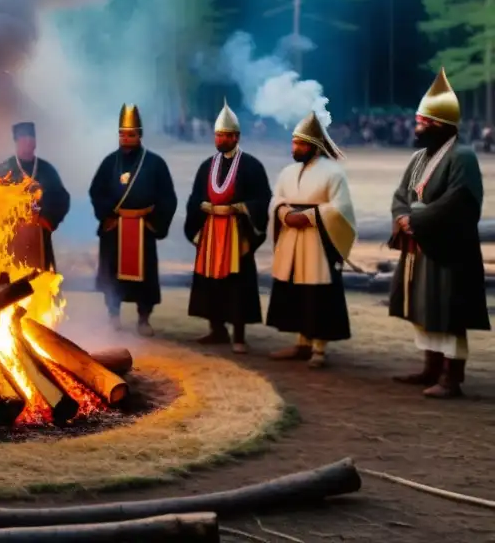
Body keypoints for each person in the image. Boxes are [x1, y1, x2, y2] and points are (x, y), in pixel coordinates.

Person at [388, 69, 490, 398]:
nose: (417, 128)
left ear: (440, 126)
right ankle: (430, 367)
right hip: (420, 245)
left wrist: (416, 220)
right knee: (424, 307)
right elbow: (402, 194)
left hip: (448, 248)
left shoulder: (463, 157)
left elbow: (459, 202)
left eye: (422, 122)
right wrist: (403, 217)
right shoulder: (419, 157)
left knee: (449, 309)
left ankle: (451, 376)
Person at [265, 112, 357, 368]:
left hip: (318, 241)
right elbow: (276, 198)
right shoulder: (287, 172)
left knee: (318, 294)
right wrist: (283, 213)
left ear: (314, 145)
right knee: (295, 292)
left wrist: (308, 217)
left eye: (300, 143)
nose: (295, 148)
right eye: (294, 142)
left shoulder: (333, 173)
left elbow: (341, 209)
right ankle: (301, 343)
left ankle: (318, 348)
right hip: (292, 240)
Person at [184, 100, 272, 354]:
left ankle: (239, 335)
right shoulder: (206, 166)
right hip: (211, 233)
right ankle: (217, 329)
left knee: (238, 284)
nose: (220, 139)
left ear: (236, 137)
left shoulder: (251, 166)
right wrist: (205, 207)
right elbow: (194, 198)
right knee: (211, 283)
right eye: (218, 135)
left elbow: (262, 199)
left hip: (236, 235)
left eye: (225, 135)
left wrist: (236, 209)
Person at [88, 104, 177, 335]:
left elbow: (168, 197)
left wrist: (151, 220)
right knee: (112, 273)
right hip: (115, 226)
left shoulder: (155, 163)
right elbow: (96, 191)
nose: (125, 139)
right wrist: (110, 213)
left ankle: (143, 319)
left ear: (139, 135)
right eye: (122, 134)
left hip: (143, 227)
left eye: (130, 135)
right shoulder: (109, 162)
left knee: (144, 278)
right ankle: (113, 315)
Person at [0, 121, 70, 272]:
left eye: (31, 138)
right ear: (16, 141)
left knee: (41, 280)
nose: (28, 142)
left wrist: (47, 220)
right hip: (9, 238)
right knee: (8, 280)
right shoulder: (2, 171)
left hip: (39, 235)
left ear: (35, 142)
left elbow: (62, 198)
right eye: (23, 138)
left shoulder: (46, 170)